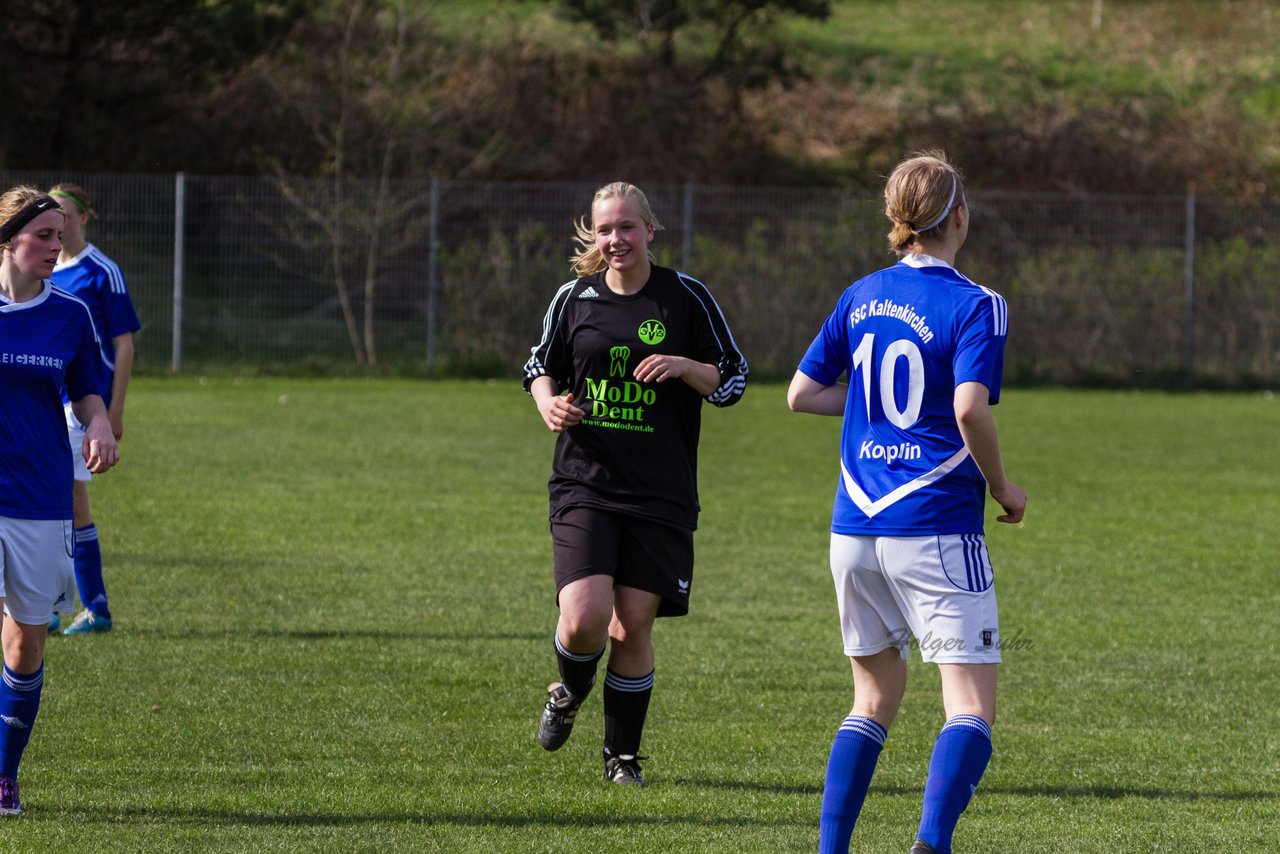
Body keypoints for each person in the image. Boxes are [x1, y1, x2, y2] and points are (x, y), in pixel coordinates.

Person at [787, 152, 1026, 854]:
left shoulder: (861, 294)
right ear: (957, 215)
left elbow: (802, 394)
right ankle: (930, 845)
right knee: (971, 707)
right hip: (935, 522)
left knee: (871, 702)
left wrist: (873, 415)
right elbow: (969, 409)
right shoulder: (977, 303)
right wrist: (1003, 488)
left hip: (855, 526)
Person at [522, 181, 748, 786]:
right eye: (604, 230)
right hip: (585, 479)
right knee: (585, 617)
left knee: (632, 625)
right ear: (591, 235)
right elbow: (539, 367)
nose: (615, 239)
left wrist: (683, 367)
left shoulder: (685, 298)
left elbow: (732, 380)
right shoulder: (574, 298)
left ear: (650, 230)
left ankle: (621, 758)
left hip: (660, 490)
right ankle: (568, 692)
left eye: (626, 227)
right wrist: (548, 403)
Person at [0, 185, 120, 815]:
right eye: (43, 235)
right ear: (8, 239)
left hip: (40, 495)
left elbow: (88, 391)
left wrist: (98, 424)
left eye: (59, 233)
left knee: (25, 643)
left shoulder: (70, 314)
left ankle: (4, 774)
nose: (56, 245)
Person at [45, 183, 140, 635]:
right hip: (49, 399)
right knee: (54, 500)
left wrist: (113, 409)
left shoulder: (103, 271)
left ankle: (88, 605)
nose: (57, 226)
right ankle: (67, 604)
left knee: (68, 502)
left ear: (83, 218)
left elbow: (123, 344)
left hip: (84, 402)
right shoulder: (44, 270)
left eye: (64, 216)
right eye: (50, 217)